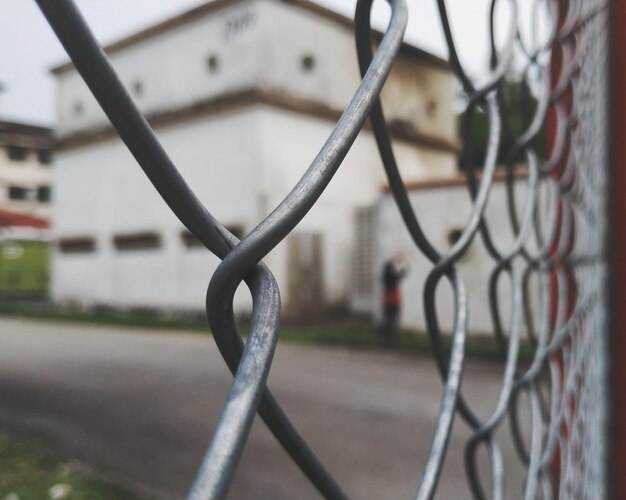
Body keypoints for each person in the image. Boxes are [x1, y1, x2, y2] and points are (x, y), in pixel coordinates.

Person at [380, 253, 408, 345]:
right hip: (392, 298)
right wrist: (403, 269)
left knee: (389, 318)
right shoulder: (389, 273)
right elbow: (398, 276)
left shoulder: (387, 273)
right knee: (391, 319)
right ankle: (389, 337)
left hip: (389, 299)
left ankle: (388, 337)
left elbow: (398, 276)